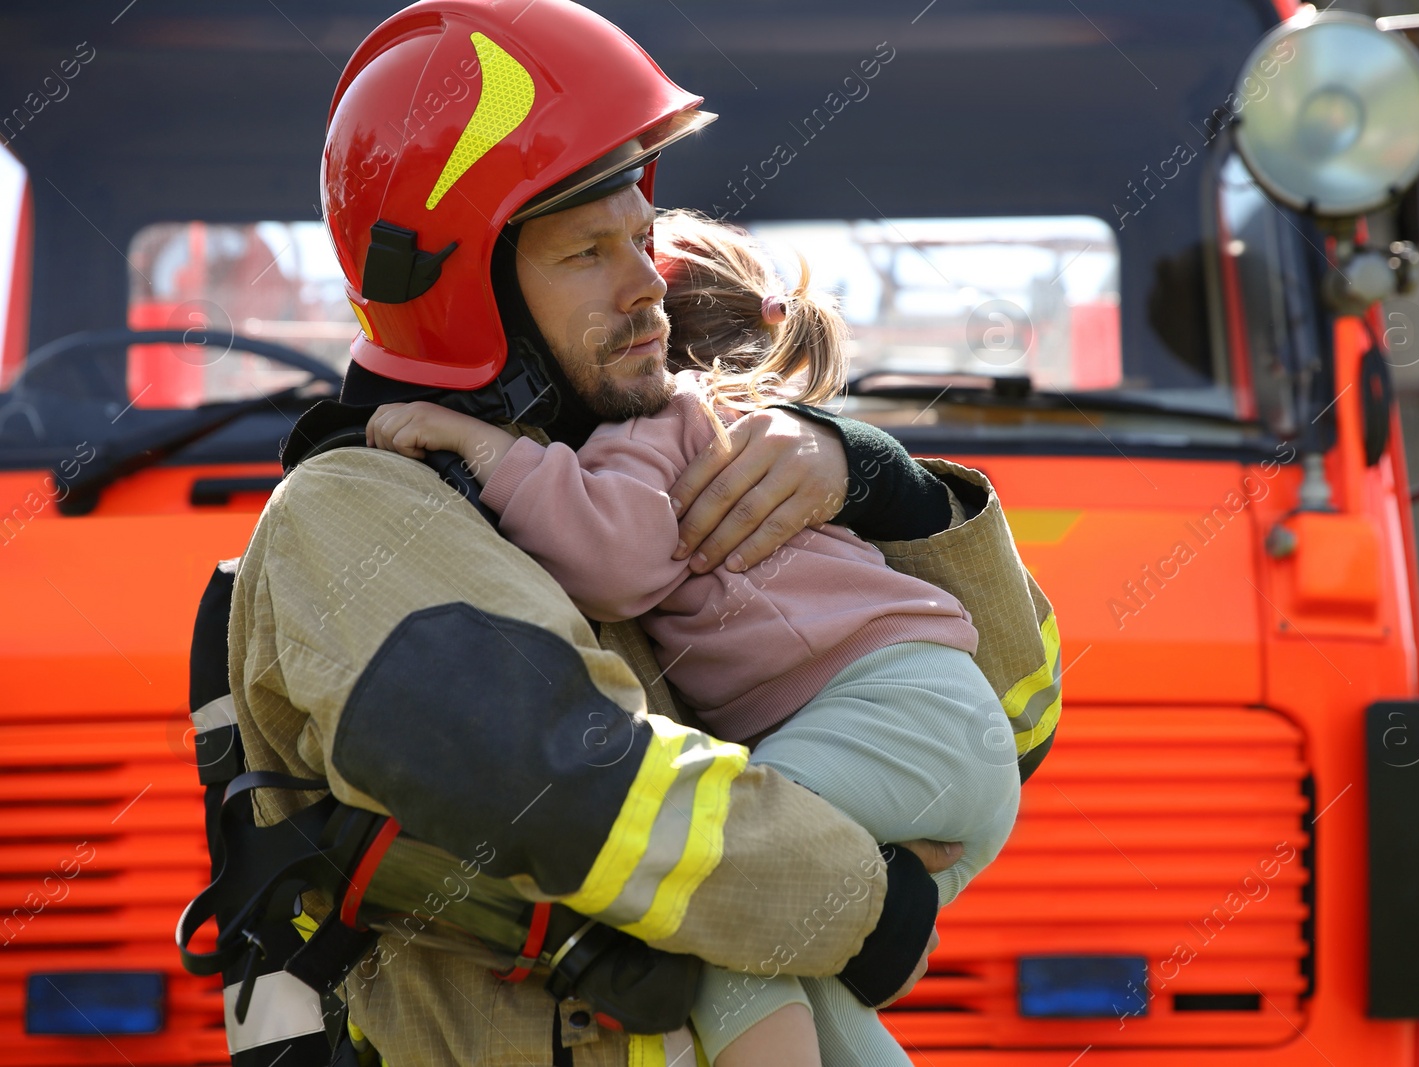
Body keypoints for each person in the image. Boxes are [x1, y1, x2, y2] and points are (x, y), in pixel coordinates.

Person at [228, 3, 1061, 1064]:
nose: (646, 284)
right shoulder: (355, 514)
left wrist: (878, 488)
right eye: (586, 251)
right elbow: (571, 780)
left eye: (642, 238)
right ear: (462, 289)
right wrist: (861, 896)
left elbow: (1009, 719)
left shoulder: (627, 457)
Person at [365, 209, 1022, 1066]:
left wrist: (485, 449)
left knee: (709, 890)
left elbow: (616, 560)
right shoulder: (744, 429)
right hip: (940, 735)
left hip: (889, 712)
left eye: (628, 259)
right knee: (792, 965)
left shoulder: (661, 418)